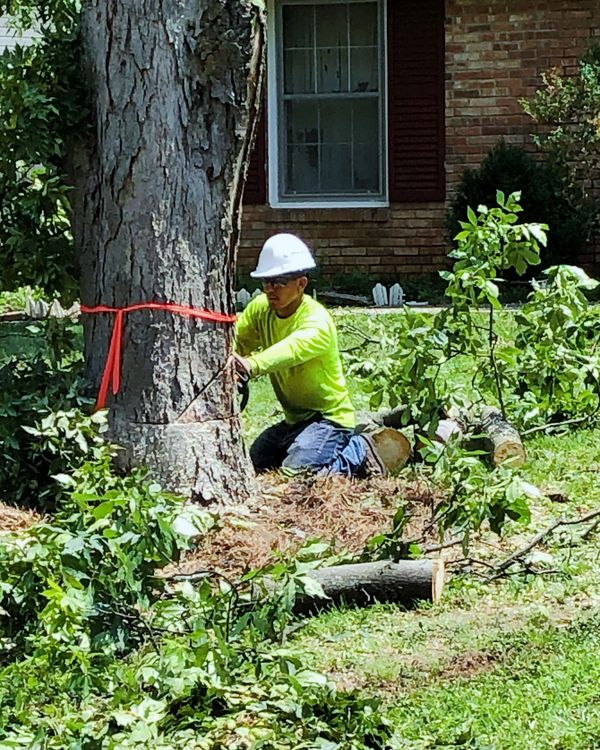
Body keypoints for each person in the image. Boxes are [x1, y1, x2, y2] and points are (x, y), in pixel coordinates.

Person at [234, 232, 393, 477]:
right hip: (294, 422)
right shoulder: (260, 309)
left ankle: (360, 451)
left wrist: (251, 365)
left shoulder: (316, 320)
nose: (270, 289)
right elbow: (240, 339)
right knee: (256, 463)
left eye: (279, 282)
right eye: (266, 281)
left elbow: (293, 348)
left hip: (329, 420)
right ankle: (307, 447)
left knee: (299, 475)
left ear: (301, 284)